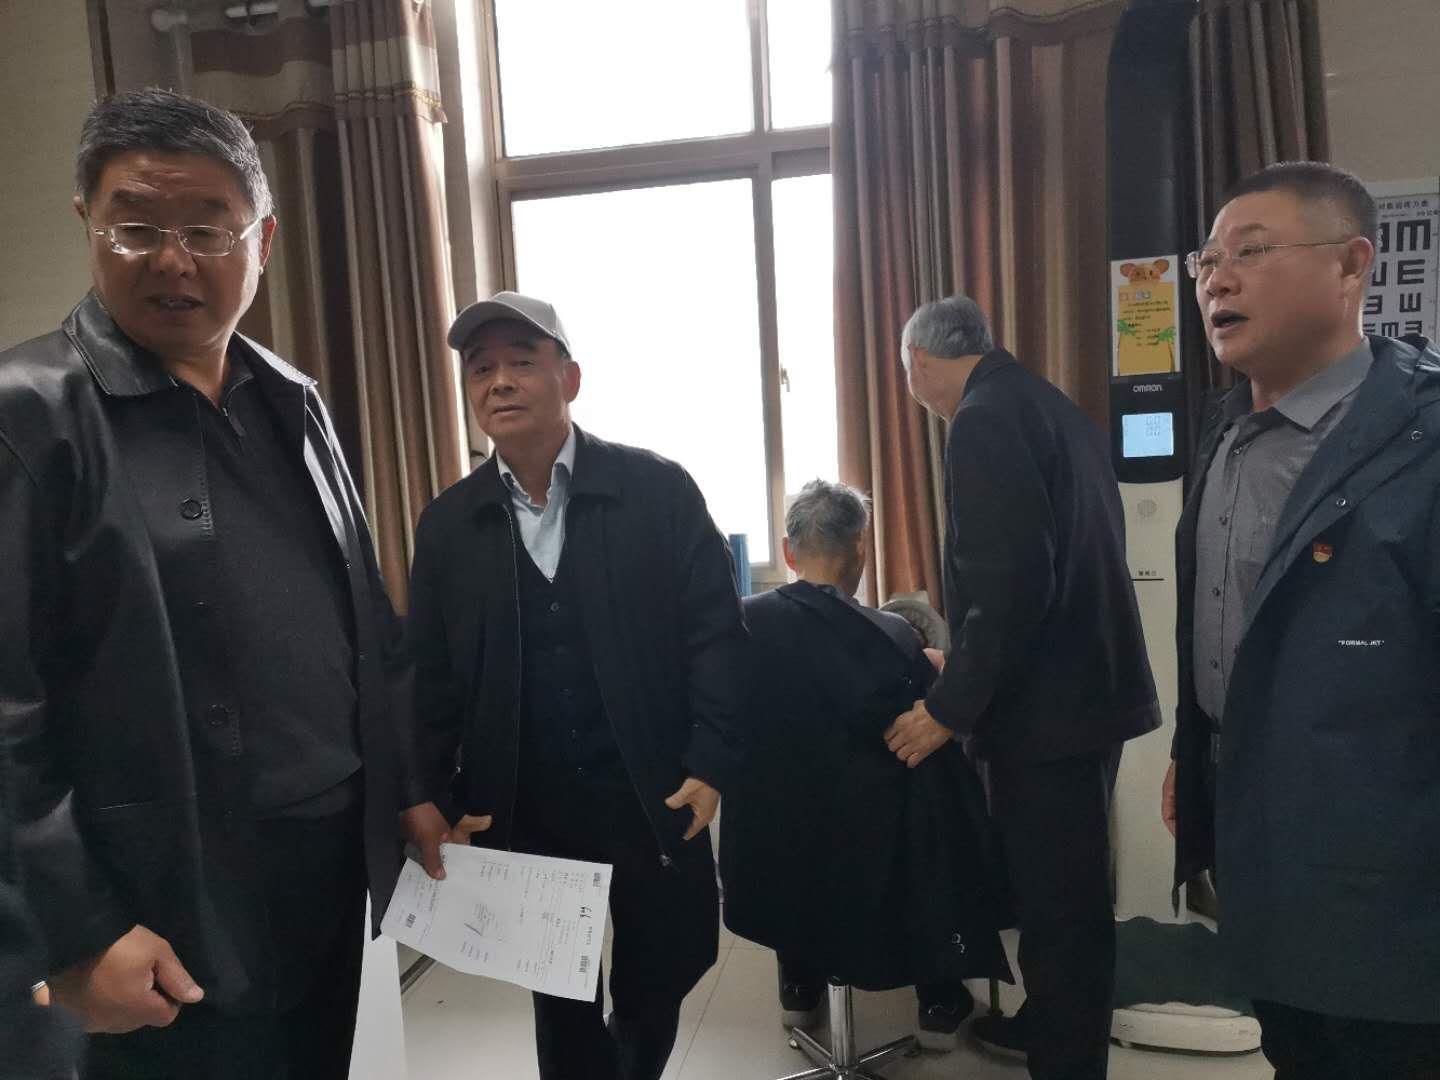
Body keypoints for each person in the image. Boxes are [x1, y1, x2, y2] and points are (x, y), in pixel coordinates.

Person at [0, 88, 412, 1078]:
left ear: (260, 240)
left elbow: (364, 627)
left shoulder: (293, 399)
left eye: (206, 229)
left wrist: (409, 792)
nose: (173, 260)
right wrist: (80, 930)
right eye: (137, 228)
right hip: (159, 900)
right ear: (88, 226)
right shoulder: (29, 415)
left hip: (325, 868)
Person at [400, 291, 748, 1080]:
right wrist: (432, 791)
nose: (499, 382)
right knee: (556, 991)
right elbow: (428, 673)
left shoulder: (656, 490)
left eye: (521, 362)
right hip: (525, 801)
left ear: (571, 378)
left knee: (664, 966)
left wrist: (712, 760)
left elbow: (716, 636)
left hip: (649, 789)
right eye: (480, 369)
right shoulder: (450, 523)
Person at [1164, 161, 1440, 1079]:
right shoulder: (1225, 432)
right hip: (1262, 852)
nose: (1218, 280)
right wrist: (1192, 754)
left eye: (1250, 252)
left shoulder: (1419, 442)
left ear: (1351, 265)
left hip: (1391, 887)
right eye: (1207, 261)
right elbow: (1223, 625)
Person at [892, 296, 1160, 1079]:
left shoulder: (982, 420)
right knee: (1071, 894)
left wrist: (949, 708)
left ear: (919, 364)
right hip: (1088, 692)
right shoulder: (1049, 406)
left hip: (1046, 714)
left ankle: (1066, 1059)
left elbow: (1007, 586)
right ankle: (1051, 1027)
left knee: (1059, 912)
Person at [720, 479, 1010, 1052]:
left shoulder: (741, 624)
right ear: (861, 549)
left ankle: (799, 985)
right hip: (869, 850)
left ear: (788, 552)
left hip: (775, 848)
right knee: (941, 797)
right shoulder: (893, 635)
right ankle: (938, 996)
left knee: (797, 819)